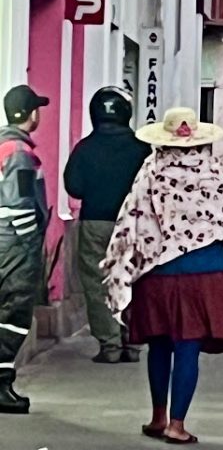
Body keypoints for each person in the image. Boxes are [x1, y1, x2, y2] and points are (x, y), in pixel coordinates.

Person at [101, 107, 223, 444]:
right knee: (188, 346)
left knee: (160, 343)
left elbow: (132, 221)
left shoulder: (151, 171)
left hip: (159, 272)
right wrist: (203, 243)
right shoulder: (214, 171)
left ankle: (158, 417)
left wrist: (129, 263)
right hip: (205, 272)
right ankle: (177, 425)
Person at [64, 87, 151, 364]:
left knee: (97, 283)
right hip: (134, 224)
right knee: (134, 280)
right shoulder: (142, 149)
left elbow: (74, 187)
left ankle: (110, 344)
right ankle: (133, 342)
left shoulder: (84, 148)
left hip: (95, 222)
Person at [0, 85, 50, 414]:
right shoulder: (18, 152)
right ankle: (1, 386)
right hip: (14, 247)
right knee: (14, 315)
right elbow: (19, 205)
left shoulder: (4, 145)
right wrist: (32, 243)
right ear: (31, 114)